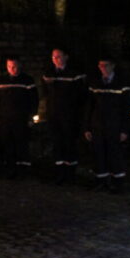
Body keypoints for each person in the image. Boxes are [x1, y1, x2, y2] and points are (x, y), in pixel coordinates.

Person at [83, 55, 130, 193]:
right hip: (97, 125)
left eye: (105, 65)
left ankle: (118, 183)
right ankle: (101, 181)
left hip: (114, 126)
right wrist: (87, 127)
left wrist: (124, 129)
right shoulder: (95, 83)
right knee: (99, 154)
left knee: (114, 154)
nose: (103, 68)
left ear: (113, 66)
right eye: (100, 66)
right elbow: (89, 106)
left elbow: (126, 108)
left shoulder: (122, 83)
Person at [42, 47, 86, 185]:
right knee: (57, 143)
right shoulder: (48, 74)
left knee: (69, 143)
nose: (56, 59)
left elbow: (80, 96)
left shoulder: (74, 74)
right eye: (53, 57)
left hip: (70, 116)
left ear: (66, 57)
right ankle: (59, 173)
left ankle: (70, 173)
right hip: (54, 115)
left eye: (59, 56)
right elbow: (45, 94)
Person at [0, 55, 38, 179]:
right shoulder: (1, 81)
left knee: (21, 143)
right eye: (9, 66)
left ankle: (22, 170)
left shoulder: (27, 80)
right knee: (7, 143)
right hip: (5, 119)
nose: (12, 69)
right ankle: (9, 168)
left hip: (21, 118)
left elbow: (34, 100)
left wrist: (32, 116)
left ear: (19, 66)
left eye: (14, 66)